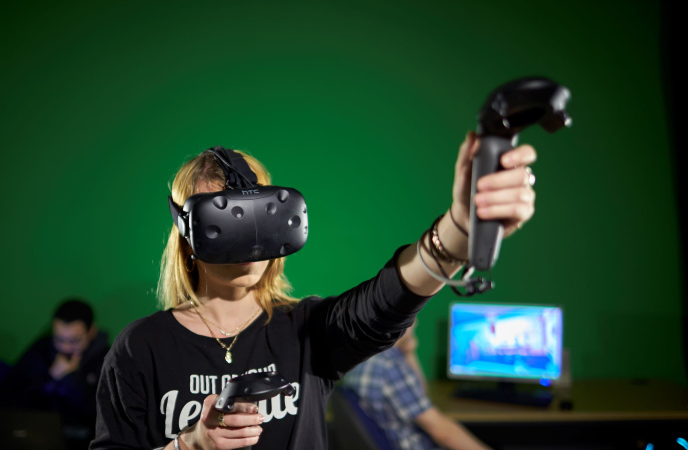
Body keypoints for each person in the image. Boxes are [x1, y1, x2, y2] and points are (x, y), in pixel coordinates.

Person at [91, 131, 537, 450]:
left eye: (259, 218)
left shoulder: (306, 331)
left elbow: (387, 300)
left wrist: (460, 229)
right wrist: (188, 446)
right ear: (187, 235)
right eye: (224, 224)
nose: (248, 243)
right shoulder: (139, 349)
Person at [343, 320, 492, 450]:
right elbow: (443, 432)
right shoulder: (390, 365)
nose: (416, 323)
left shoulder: (362, 356)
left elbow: (419, 394)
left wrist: (409, 352)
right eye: (413, 317)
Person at [0, 298, 109, 450]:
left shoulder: (106, 359)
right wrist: (50, 377)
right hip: (34, 437)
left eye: (74, 341)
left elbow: (103, 415)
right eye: (59, 339)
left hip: (83, 442)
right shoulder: (42, 349)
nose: (66, 347)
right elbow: (6, 397)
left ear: (91, 332)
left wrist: (69, 380)